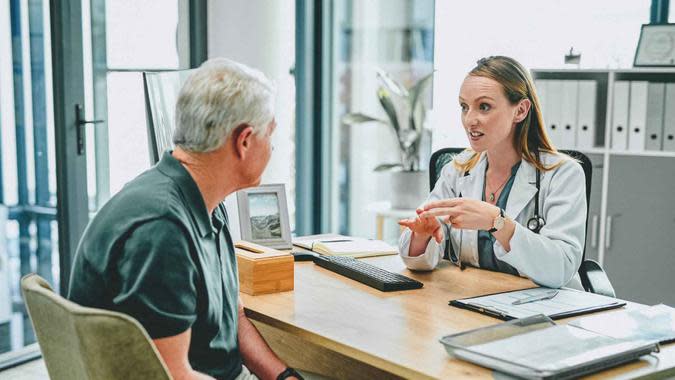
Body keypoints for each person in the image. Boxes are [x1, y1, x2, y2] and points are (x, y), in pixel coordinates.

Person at [68, 58, 301, 380]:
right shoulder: (162, 230)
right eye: (270, 135)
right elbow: (173, 376)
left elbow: (233, 316)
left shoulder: (206, 197)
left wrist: (284, 376)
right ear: (244, 140)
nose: (272, 147)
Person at [398, 56, 586, 289]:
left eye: (483, 107)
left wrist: (497, 223)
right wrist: (422, 236)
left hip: (545, 311)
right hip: (476, 300)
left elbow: (562, 268)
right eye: (464, 107)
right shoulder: (457, 171)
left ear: (520, 110)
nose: (469, 120)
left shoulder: (563, 175)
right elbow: (418, 261)